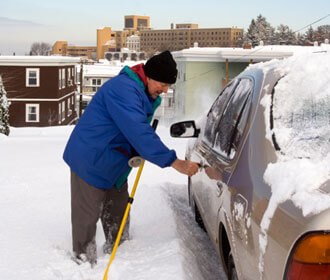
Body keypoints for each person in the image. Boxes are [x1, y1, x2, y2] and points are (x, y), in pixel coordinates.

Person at [63, 50, 199, 265]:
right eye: (162, 84)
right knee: (87, 216)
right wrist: (173, 161)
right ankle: (83, 261)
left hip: (115, 160)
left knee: (118, 208)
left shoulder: (142, 91)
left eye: (168, 86)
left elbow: (135, 129)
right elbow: (137, 130)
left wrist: (136, 149)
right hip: (91, 157)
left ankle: (120, 251)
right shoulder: (123, 89)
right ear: (149, 76)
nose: (164, 91)